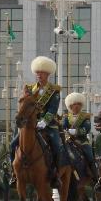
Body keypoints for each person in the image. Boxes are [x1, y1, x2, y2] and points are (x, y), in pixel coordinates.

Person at [10, 56, 67, 188]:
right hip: (29, 125)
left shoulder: (54, 91)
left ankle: (55, 175)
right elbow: (24, 106)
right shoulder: (29, 89)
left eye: (42, 73)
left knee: (57, 147)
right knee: (13, 145)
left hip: (47, 125)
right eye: (37, 73)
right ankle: (14, 174)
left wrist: (44, 121)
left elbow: (53, 109)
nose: (39, 75)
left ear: (47, 74)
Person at [62, 92, 97, 184]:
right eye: (74, 104)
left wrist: (74, 131)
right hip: (69, 141)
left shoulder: (85, 117)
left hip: (82, 141)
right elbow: (63, 128)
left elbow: (86, 129)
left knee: (90, 155)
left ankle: (95, 177)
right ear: (70, 106)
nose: (76, 106)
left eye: (78, 104)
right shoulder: (66, 117)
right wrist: (66, 133)